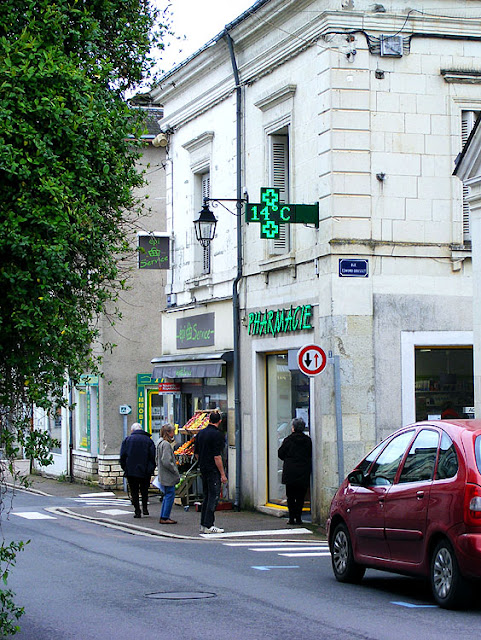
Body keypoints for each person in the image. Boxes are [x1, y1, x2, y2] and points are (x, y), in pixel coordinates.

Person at [194, 411, 227, 534]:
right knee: (213, 497)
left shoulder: (200, 434)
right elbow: (217, 456)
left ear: (209, 420)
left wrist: (203, 461)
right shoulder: (217, 435)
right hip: (213, 469)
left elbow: (196, 453)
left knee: (206, 496)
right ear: (219, 421)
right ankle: (209, 524)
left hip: (203, 468)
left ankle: (203, 524)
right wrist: (222, 474)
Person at [278, 417, 312, 525]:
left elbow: (281, 453)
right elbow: (309, 453)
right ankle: (299, 518)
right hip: (303, 471)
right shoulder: (307, 440)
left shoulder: (288, 440)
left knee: (291, 496)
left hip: (290, 471)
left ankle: (292, 518)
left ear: (293, 428)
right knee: (301, 496)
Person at [120, 423, 156, 518]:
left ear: (132, 430)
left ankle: (137, 511)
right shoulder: (148, 440)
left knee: (134, 491)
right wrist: (150, 469)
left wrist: (125, 468)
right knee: (144, 490)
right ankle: (145, 508)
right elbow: (152, 456)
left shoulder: (127, 440)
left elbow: (122, 456)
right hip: (145, 470)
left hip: (131, 471)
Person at [156, 424, 180, 524]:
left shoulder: (159, 442)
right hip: (168, 475)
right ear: (169, 433)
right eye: (172, 431)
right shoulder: (165, 444)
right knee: (170, 494)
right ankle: (165, 517)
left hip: (162, 473)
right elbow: (166, 460)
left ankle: (164, 516)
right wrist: (174, 470)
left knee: (167, 494)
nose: (174, 433)